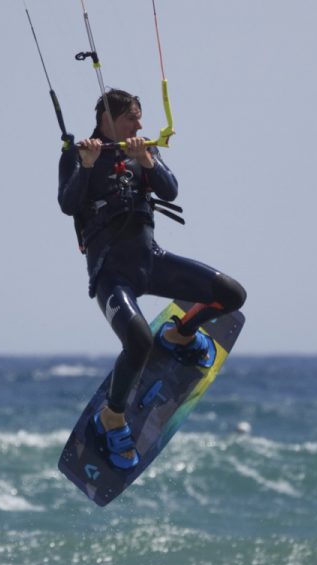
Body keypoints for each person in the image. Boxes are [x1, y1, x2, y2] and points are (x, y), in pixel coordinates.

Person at [58, 89, 246, 471]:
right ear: (107, 119)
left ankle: (180, 334)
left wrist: (146, 160)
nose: (140, 126)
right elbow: (68, 204)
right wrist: (90, 165)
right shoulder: (78, 155)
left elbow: (171, 189)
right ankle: (112, 417)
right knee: (138, 341)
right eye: (131, 118)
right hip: (111, 276)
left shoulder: (142, 150)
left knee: (230, 295)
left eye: (140, 118)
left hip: (152, 262)